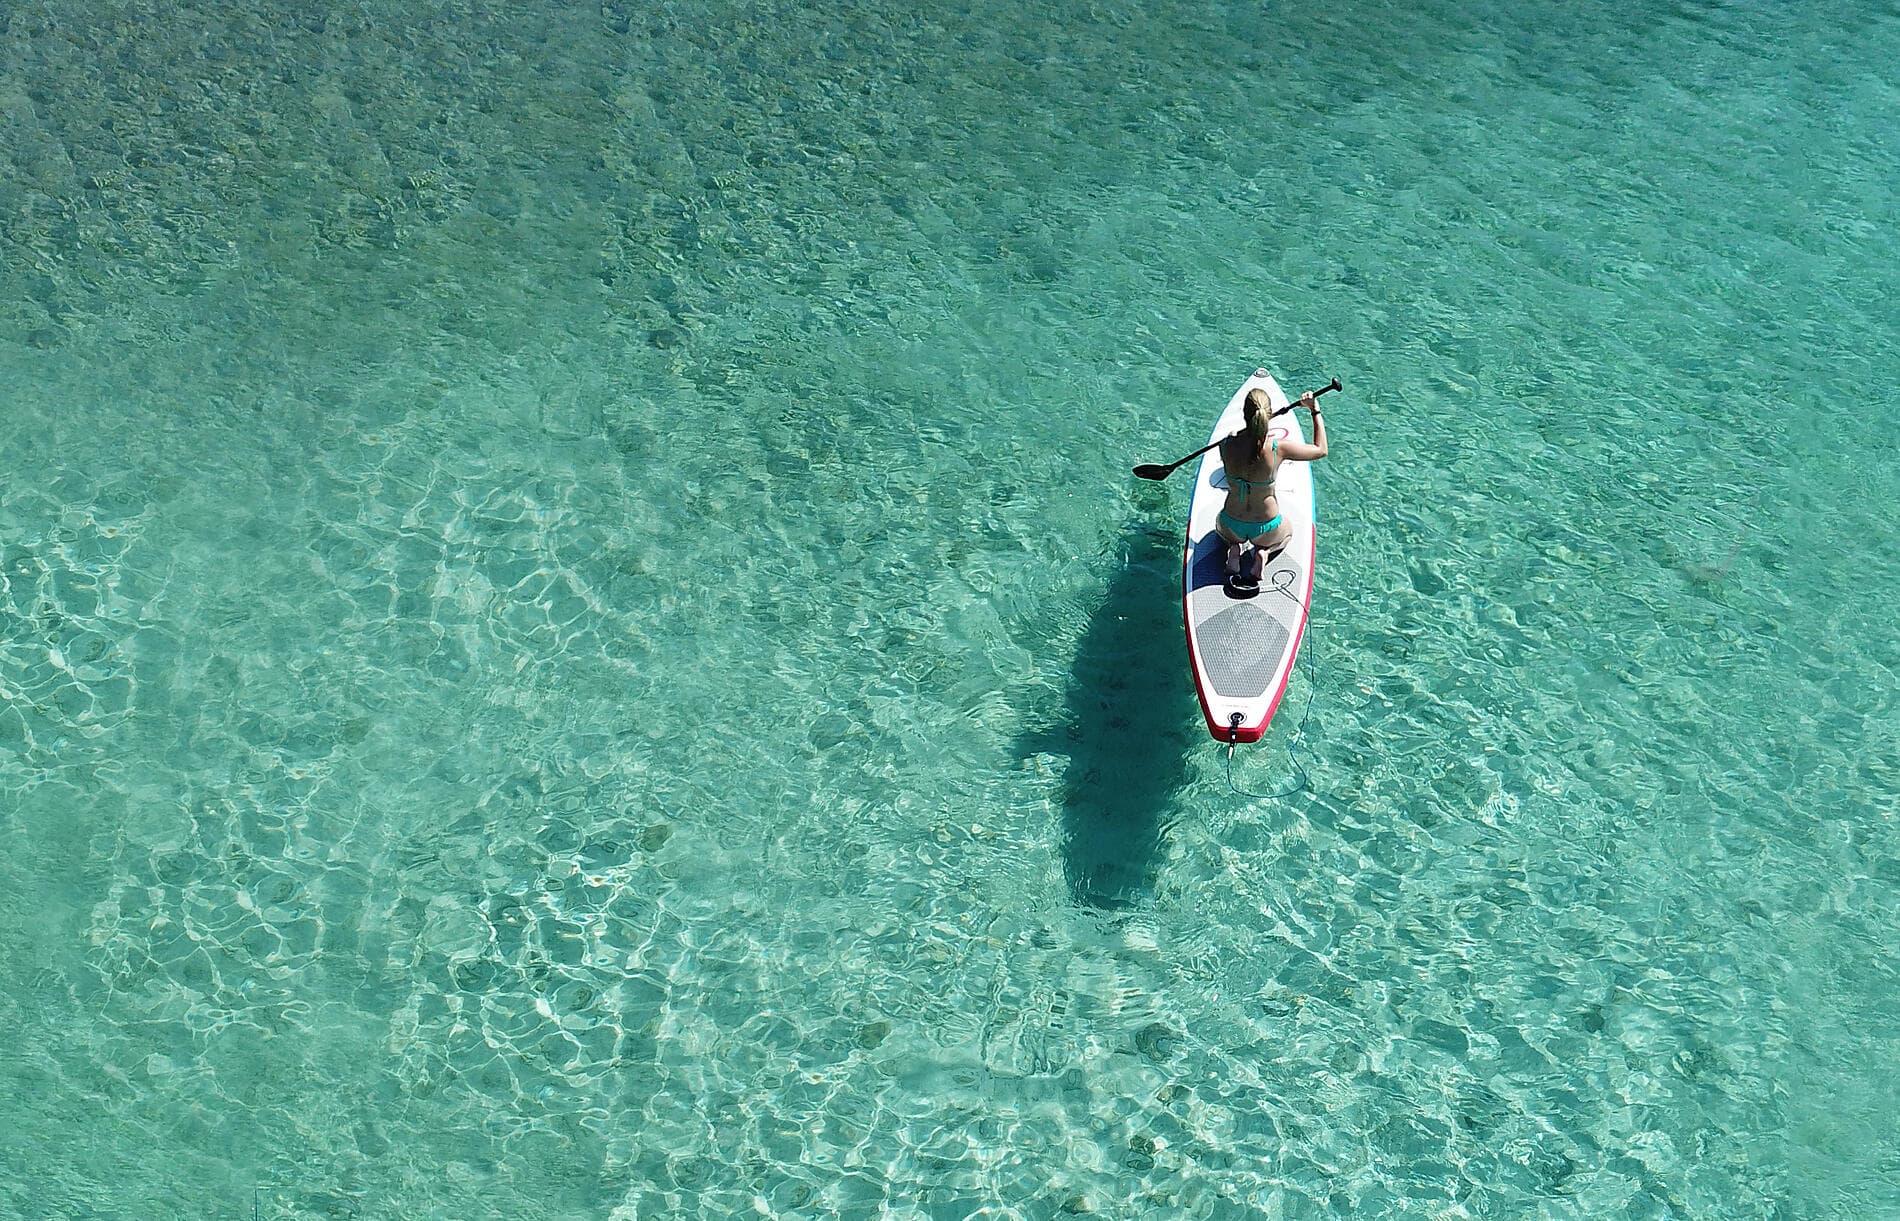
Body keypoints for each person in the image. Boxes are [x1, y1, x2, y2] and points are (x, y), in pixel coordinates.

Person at [1216, 387, 1328, 594]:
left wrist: (1237, 435)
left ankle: (1234, 548)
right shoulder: (1278, 448)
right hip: (1266, 527)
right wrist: (1314, 410)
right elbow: (1321, 450)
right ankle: (1264, 552)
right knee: (1287, 533)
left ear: (1244, 414)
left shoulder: (1225, 444)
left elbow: (1242, 449)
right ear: (1268, 415)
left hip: (1231, 523)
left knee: (1221, 530)